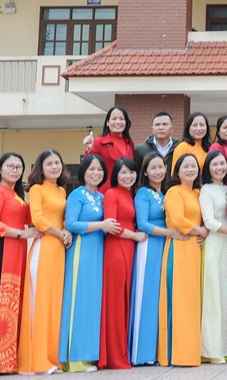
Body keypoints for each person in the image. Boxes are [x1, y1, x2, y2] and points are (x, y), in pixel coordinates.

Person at [60, 154, 120, 372]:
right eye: (91, 169)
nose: (96, 173)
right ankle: (75, 359)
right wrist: (101, 225)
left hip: (98, 251)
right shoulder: (77, 195)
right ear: (83, 171)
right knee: (79, 300)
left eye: (100, 169)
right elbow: (71, 223)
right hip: (81, 251)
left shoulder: (102, 197)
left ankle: (90, 355)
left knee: (93, 303)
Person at [0, 152, 37, 376]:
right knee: (2, 303)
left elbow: (30, 219)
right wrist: (20, 234)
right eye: (10, 166)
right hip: (4, 250)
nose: (15, 170)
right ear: (0, 170)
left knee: (14, 303)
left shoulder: (16, 194)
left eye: (19, 167)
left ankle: (11, 360)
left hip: (18, 253)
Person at [18, 150, 70, 375]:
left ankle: (52, 357)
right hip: (45, 247)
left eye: (57, 162)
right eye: (49, 164)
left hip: (59, 250)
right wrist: (59, 233)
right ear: (41, 167)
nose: (55, 167)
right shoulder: (36, 189)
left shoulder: (61, 190)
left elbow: (65, 218)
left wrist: (67, 230)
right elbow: (37, 218)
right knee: (39, 302)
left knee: (54, 303)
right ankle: (37, 360)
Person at [130, 152, 184, 366]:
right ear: (145, 172)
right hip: (150, 247)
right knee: (148, 297)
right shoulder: (143, 193)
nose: (158, 171)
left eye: (161, 167)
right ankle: (142, 353)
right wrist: (169, 233)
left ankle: (159, 350)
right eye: (153, 168)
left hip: (166, 247)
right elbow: (143, 224)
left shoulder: (167, 193)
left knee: (162, 298)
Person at [159, 153, 208, 367]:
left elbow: (206, 219)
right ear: (177, 171)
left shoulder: (198, 193)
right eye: (185, 166)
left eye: (193, 166)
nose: (190, 170)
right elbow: (178, 220)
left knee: (192, 301)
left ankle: (191, 352)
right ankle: (176, 354)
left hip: (195, 250)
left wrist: (204, 231)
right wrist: (200, 231)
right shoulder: (174, 192)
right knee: (179, 300)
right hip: (178, 248)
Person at [99, 157, 146, 370]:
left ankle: (123, 351)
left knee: (125, 299)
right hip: (116, 249)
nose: (128, 176)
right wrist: (135, 236)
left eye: (132, 172)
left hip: (128, 249)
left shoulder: (130, 194)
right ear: (116, 174)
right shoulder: (111, 194)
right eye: (123, 172)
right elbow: (112, 226)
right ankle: (113, 355)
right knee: (115, 301)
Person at [199, 150, 227, 363]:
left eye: (222, 163)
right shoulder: (206, 190)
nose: (219, 167)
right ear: (208, 168)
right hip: (215, 245)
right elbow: (209, 222)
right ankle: (212, 350)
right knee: (214, 296)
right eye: (214, 164)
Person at [82, 106, 134, 192]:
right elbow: (88, 165)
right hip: (107, 192)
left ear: (126, 122)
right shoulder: (99, 142)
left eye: (121, 119)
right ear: (107, 123)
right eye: (114, 119)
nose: (118, 122)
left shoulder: (129, 143)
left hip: (128, 192)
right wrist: (89, 149)